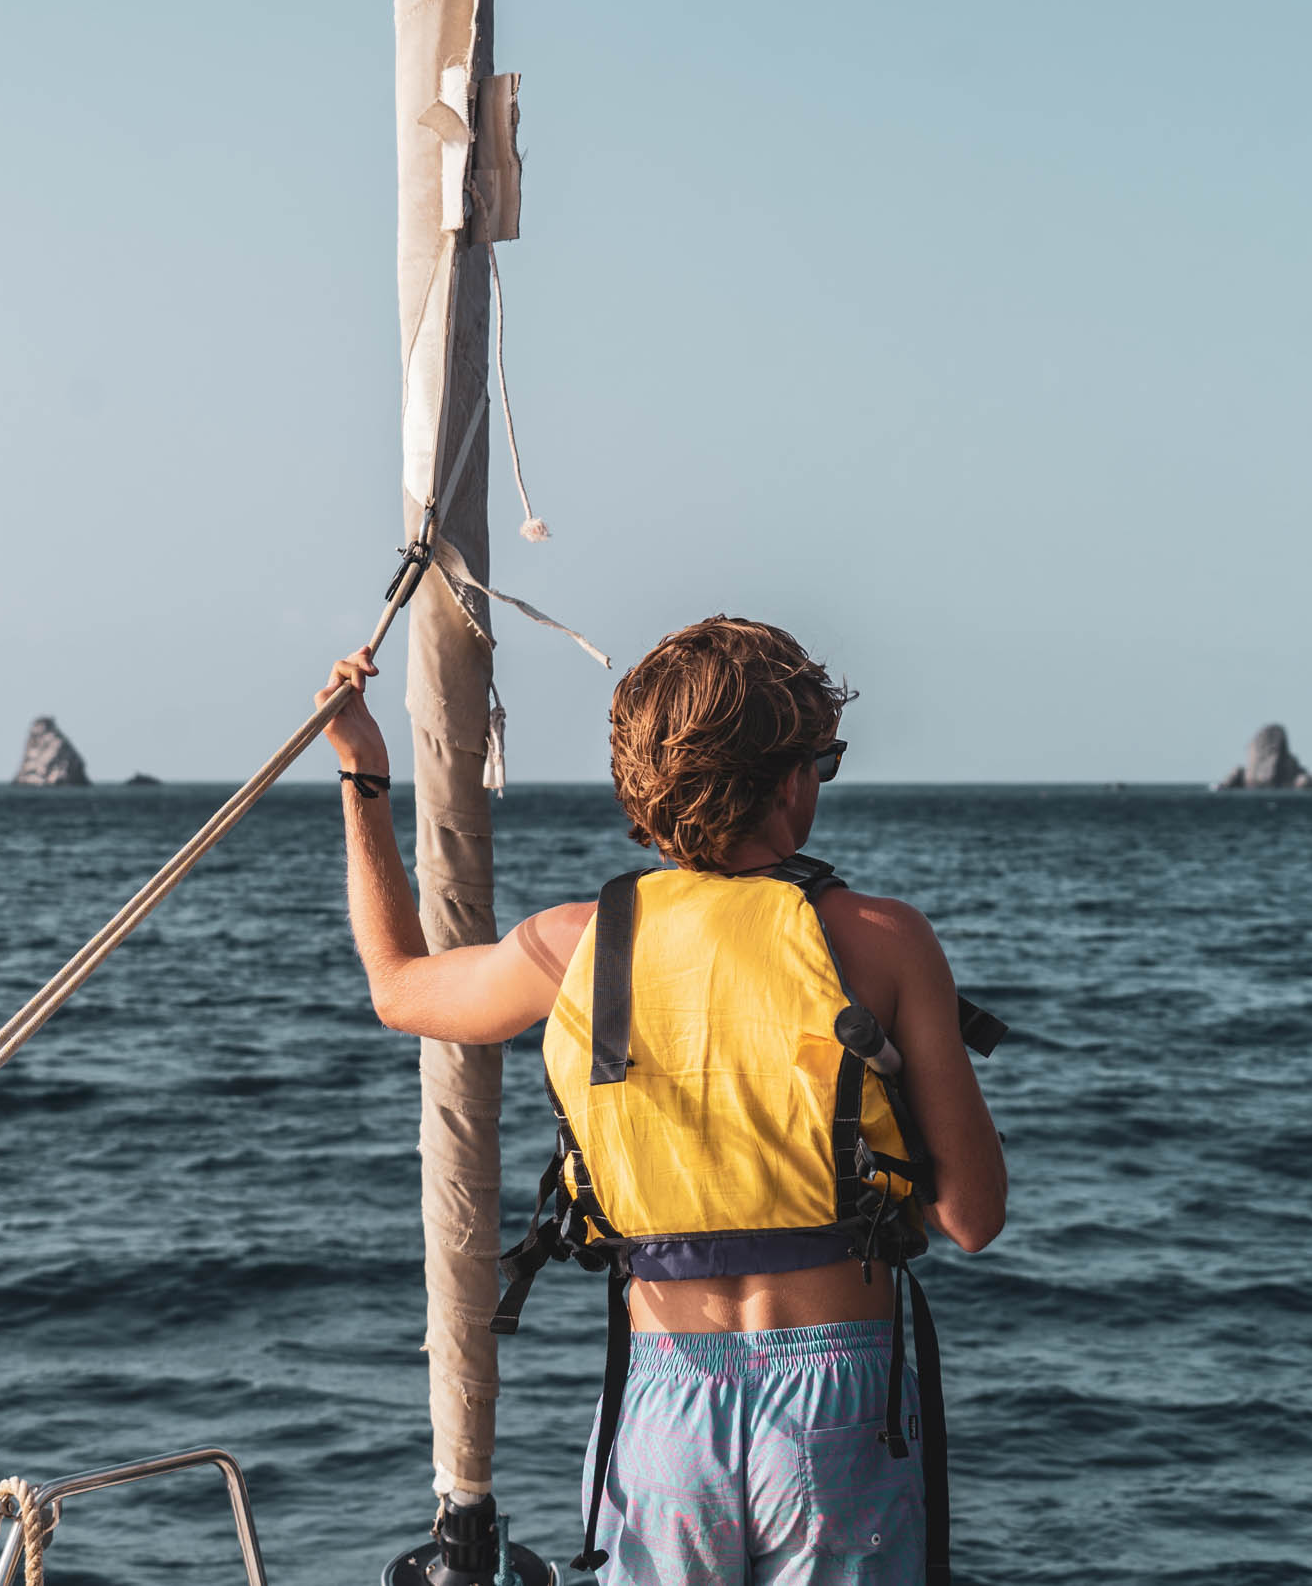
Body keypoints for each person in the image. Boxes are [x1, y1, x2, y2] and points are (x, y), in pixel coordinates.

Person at [320, 615, 1006, 1586]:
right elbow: (971, 1220)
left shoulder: (569, 945)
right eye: (824, 758)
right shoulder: (886, 941)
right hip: (837, 1405)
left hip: (661, 1405)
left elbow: (396, 986)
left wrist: (363, 775)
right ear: (789, 778)